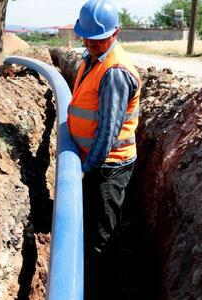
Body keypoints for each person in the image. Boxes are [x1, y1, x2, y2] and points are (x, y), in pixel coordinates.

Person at [67, 0, 141, 298]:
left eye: (97, 38)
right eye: (86, 37)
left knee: (101, 237)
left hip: (108, 166)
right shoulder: (91, 58)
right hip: (95, 162)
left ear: (115, 33)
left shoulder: (115, 72)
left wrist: (86, 170)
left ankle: (102, 289)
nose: (90, 42)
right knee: (91, 226)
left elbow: (108, 131)